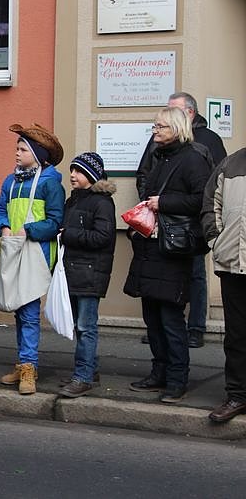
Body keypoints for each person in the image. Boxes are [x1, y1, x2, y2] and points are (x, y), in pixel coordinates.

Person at [124, 107, 211, 404]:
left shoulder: (192, 158)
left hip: (174, 250)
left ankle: (176, 379)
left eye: (160, 126)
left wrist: (166, 202)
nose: (155, 131)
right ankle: (158, 373)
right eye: (154, 126)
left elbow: (203, 199)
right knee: (152, 316)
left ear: (176, 128)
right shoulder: (160, 156)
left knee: (171, 318)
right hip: (152, 246)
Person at [136, 92, 226, 348]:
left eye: (174, 111)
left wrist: (165, 203)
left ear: (188, 113)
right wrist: (148, 201)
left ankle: (195, 328)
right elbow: (144, 174)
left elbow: (210, 189)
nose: (157, 127)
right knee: (158, 295)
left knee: (194, 276)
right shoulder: (158, 147)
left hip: (187, 228)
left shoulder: (205, 144)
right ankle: (161, 354)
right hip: (157, 228)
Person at [0, 123, 65, 395]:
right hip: (14, 250)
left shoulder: (50, 183)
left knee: (30, 312)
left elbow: (56, 221)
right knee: (19, 311)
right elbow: (0, 210)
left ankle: (29, 367)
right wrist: (3, 226)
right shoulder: (10, 182)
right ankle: (23, 360)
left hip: (37, 254)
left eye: (23, 149)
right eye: (17, 148)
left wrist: (30, 230)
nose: (17, 153)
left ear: (37, 154)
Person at [57, 152, 116, 398]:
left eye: (78, 171)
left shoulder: (101, 202)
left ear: (91, 175)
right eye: (72, 170)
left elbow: (103, 237)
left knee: (86, 326)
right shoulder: (73, 201)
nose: (72, 175)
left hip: (90, 274)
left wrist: (68, 234)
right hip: (73, 272)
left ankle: (83, 377)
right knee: (77, 326)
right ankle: (90, 369)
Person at [201, 147, 246, 422]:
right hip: (232, 264)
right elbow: (209, 206)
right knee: (237, 336)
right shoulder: (231, 164)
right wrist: (216, 242)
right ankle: (238, 395)